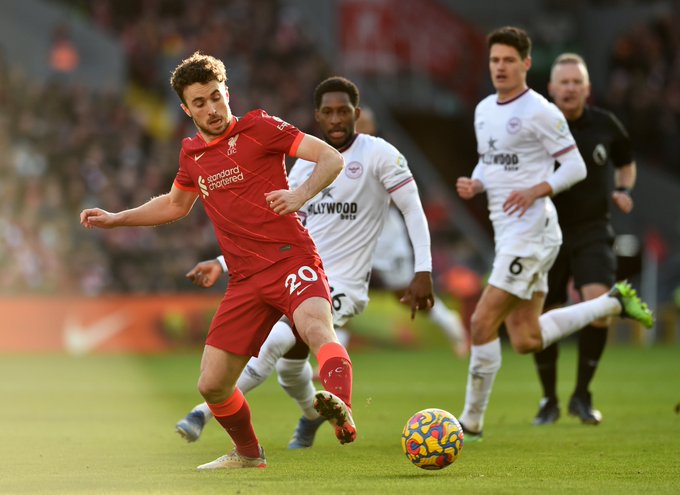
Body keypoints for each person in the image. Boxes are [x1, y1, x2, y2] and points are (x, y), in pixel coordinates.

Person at [80, 52, 357, 469]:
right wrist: (118, 218)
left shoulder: (261, 127)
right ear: (186, 109)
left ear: (227, 92)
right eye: (199, 102)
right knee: (211, 385)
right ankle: (248, 455)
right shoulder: (192, 155)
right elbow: (175, 205)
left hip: (289, 258)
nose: (211, 109)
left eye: (215, 97)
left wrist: (300, 195)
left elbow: (331, 158)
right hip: (244, 280)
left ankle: (340, 407)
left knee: (316, 327)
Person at [175, 76, 435, 449]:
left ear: (356, 114)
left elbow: (412, 209)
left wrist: (423, 269)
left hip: (342, 284)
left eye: (343, 111)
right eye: (328, 112)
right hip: (294, 272)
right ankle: (313, 416)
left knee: (276, 341)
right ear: (318, 116)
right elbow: (272, 225)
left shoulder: (380, 154)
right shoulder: (303, 169)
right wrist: (221, 261)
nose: (336, 119)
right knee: (289, 369)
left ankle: (202, 412)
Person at [454, 26, 653, 442]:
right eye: (495, 60)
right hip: (509, 231)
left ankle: (470, 422)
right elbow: (491, 160)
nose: (501, 67)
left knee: (481, 322)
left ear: (526, 64)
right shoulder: (484, 109)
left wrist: (538, 189)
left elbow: (575, 166)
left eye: (509, 60)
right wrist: (476, 182)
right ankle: (610, 303)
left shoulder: (541, 111)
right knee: (526, 338)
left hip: (532, 232)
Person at [532, 53, 638, 426]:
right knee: (543, 314)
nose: (570, 88)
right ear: (551, 88)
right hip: (546, 231)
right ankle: (548, 399)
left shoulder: (605, 124)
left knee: (600, 304)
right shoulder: (538, 125)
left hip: (593, 229)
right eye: (564, 82)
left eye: (577, 82)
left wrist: (624, 189)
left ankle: (582, 395)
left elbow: (626, 161)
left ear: (587, 88)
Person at [356, 108, 469, 357]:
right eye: (355, 123)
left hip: (385, 236)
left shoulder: (385, 155)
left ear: (373, 127)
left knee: (403, 293)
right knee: (330, 286)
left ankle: (447, 320)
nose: (358, 127)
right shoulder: (336, 155)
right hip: (350, 237)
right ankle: (332, 347)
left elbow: (402, 198)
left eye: (363, 123)